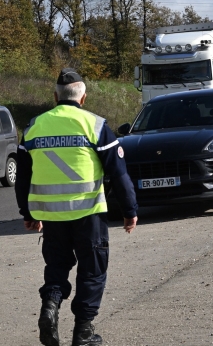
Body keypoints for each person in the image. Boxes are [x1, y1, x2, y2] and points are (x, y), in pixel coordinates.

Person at [15, 68, 138, 346]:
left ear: (55, 96)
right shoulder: (94, 125)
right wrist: (130, 211)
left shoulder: (34, 126)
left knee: (57, 266)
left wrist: (28, 213)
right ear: (83, 97)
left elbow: (23, 177)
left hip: (51, 217)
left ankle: (50, 306)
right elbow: (118, 173)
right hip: (88, 214)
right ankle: (83, 331)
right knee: (92, 271)